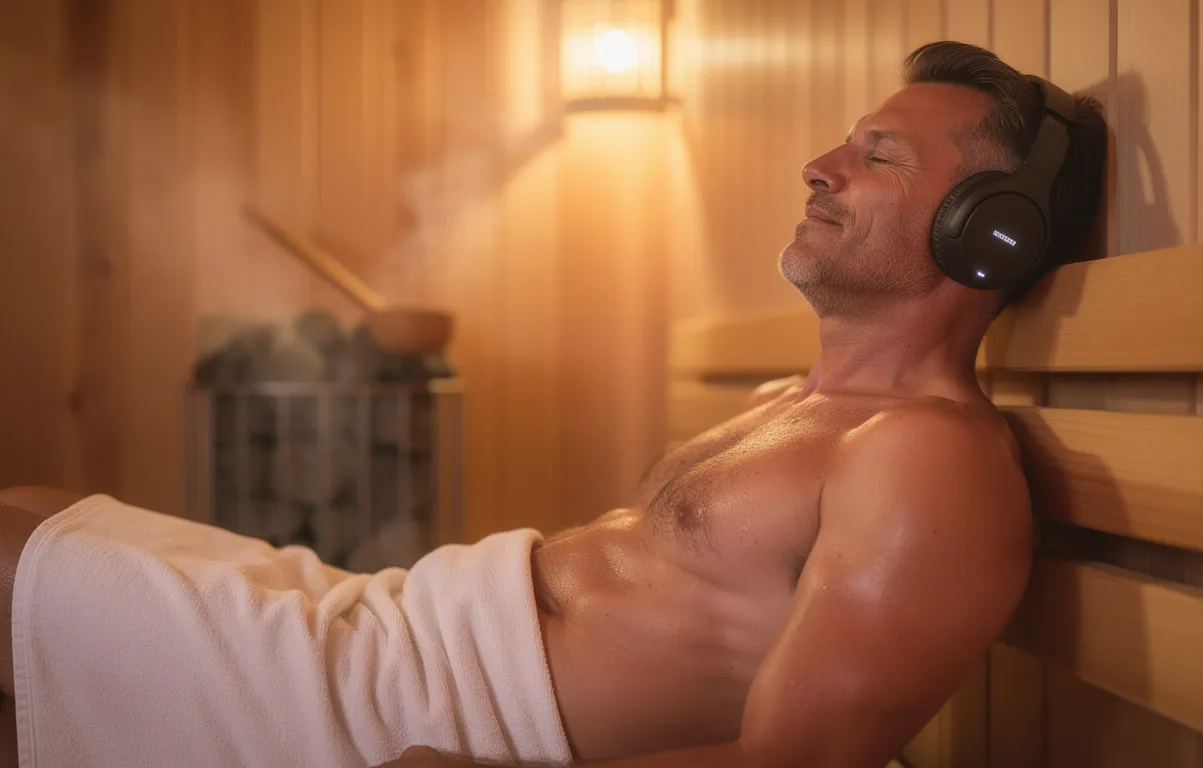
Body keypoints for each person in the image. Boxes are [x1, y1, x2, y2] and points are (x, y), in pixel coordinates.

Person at [0, 41, 1107, 768]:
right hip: (398, 628)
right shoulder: (799, 405)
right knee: (33, 512)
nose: (819, 165)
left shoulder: (927, 463)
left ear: (987, 228)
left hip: (427, 720)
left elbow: (799, 763)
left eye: (874, 154)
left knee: (11, 554)